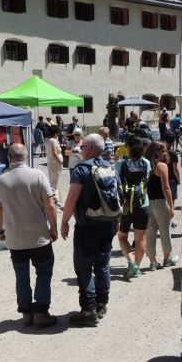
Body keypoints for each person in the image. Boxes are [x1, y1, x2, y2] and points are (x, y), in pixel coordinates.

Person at [0, 144, 58, 327]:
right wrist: (54, 227)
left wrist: (0, 230)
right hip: (39, 238)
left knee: (21, 275)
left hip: (15, 238)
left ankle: (26, 313)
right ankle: (41, 311)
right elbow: (50, 205)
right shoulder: (38, 175)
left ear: (9, 158)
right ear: (26, 157)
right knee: (43, 272)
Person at [60, 133, 118, 326]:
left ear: (90, 148)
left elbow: (71, 198)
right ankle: (101, 304)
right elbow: (117, 197)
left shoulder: (81, 169)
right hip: (108, 224)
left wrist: (65, 221)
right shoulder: (110, 167)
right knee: (102, 265)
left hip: (87, 227)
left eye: (83, 146)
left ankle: (88, 310)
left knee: (84, 268)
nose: (80, 149)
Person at [116, 135, 151, 279]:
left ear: (128, 148)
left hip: (125, 206)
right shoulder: (146, 163)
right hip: (143, 204)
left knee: (122, 236)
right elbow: (147, 180)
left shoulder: (120, 164)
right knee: (140, 239)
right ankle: (136, 267)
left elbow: (116, 184)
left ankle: (131, 263)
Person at [144, 141, 178, 270]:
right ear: (156, 152)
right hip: (160, 201)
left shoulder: (146, 164)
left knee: (150, 231)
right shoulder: (162, 166)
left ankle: (153, 262)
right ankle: (167, 258)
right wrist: (171, 205)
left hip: (148, 201)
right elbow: (166, 187)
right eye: (163, 151)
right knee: (165, 230)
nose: (165, 153)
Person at [45, 126, 64, 211]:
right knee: (54, 185)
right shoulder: (53, 140)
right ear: (56, 133)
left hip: (51, 163)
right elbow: (54, 153)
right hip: (55, 163)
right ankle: (56, 204)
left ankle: (55, 202)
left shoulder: (47, 140)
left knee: (53, 183)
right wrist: (60, 162)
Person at [163, 133, 180, 202]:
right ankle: (171, 212)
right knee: (172, 200)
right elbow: (175, 169)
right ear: (173, 142)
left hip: (162, 178)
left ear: (164, 140)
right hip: (171, 179)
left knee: (163, 199)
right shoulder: (173, 153)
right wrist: (178, 180)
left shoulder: (160, 152)